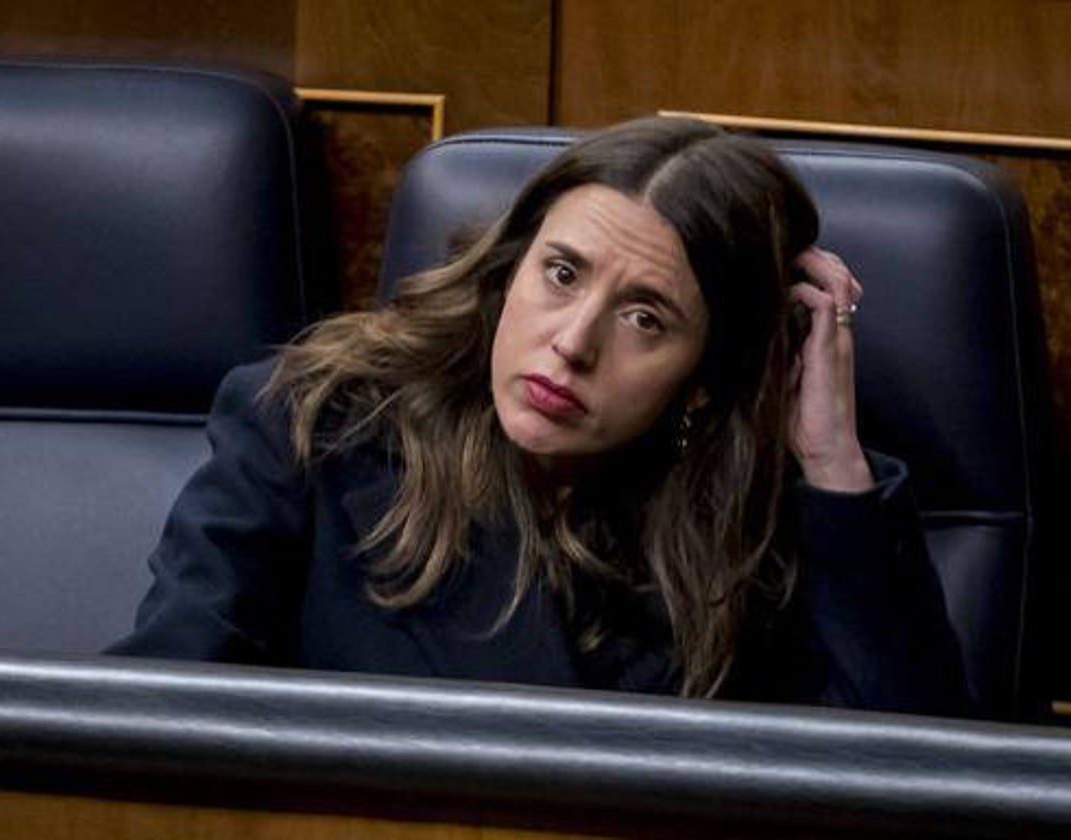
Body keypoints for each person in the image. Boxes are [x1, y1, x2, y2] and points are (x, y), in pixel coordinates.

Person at [109, 116, 967, 714]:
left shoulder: (758, 528)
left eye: (646, 318)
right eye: (562, 274)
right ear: (510, 272)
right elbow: (154, 722)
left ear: (705, 376)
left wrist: (832, 464)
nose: (573, 343)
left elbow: (908, 783)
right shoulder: (311, 427)